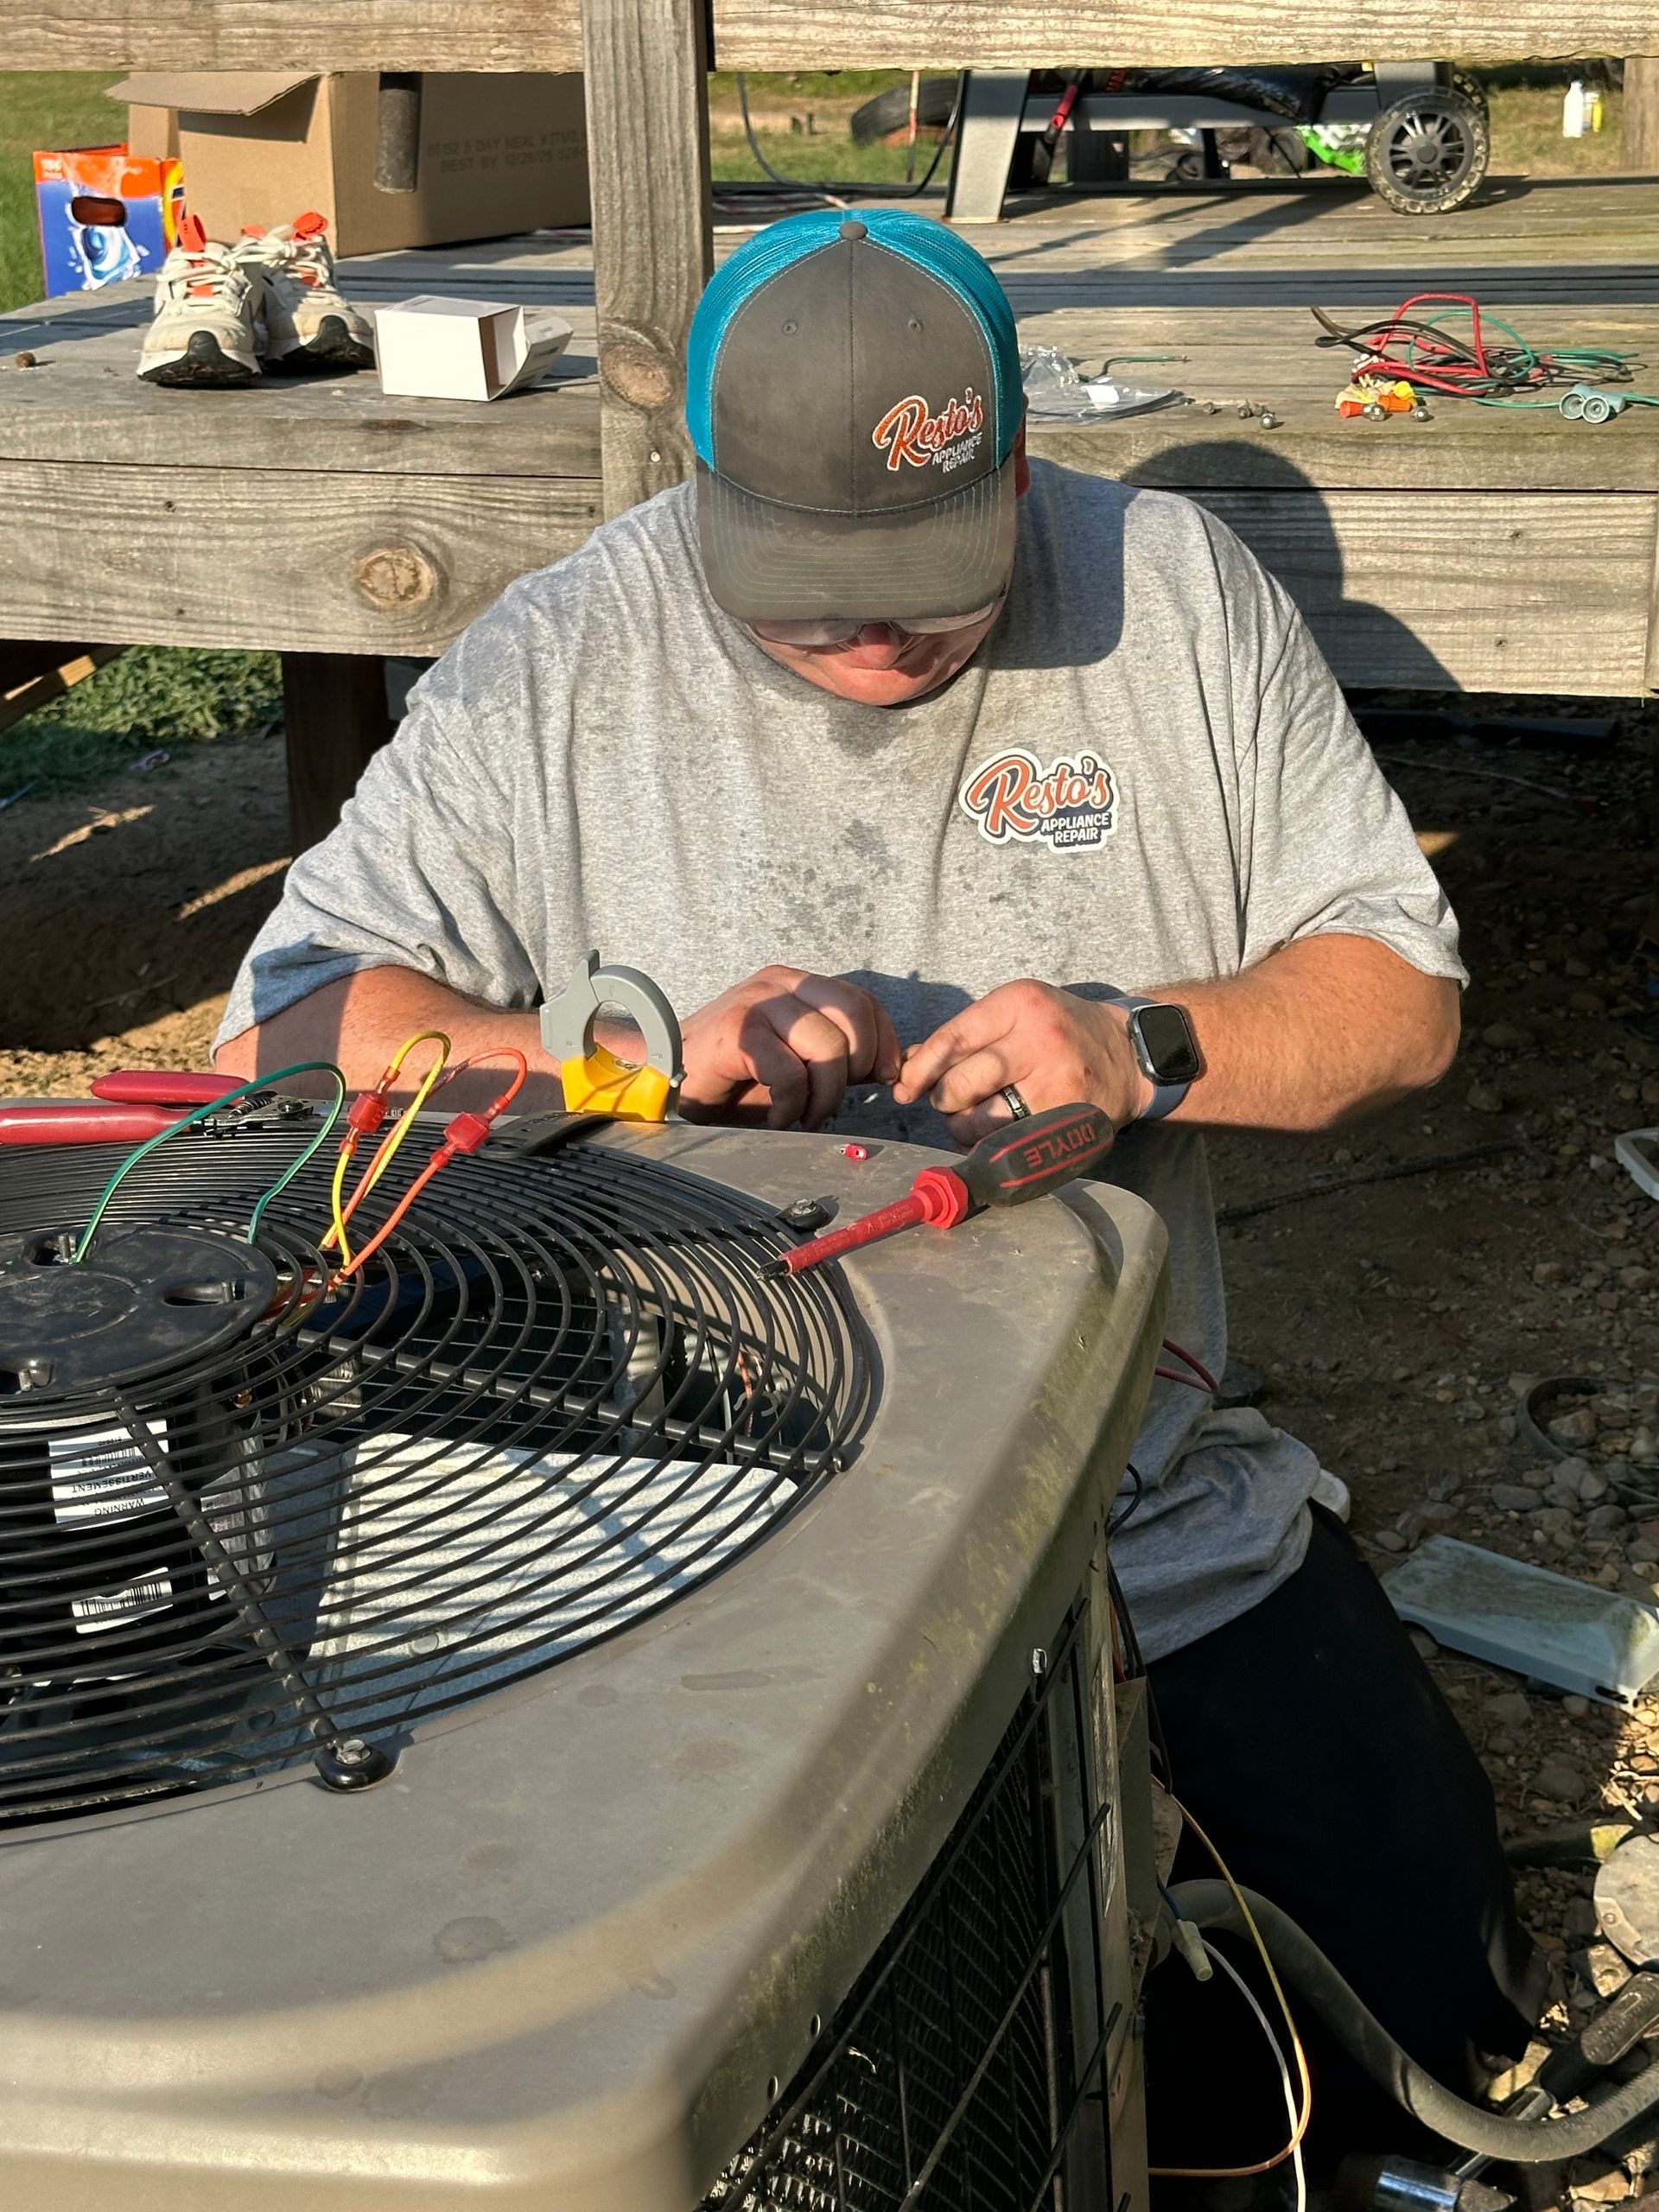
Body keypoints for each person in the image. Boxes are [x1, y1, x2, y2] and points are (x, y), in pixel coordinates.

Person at [218, 209, 1542, 2177]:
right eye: (806, 583)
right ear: (701, 492)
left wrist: (1140, 1041)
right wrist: (634, 1060)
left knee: (1428, 2017)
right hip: (687, 1525)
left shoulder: (1170, 594)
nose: (870, 636)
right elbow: (296, 1029)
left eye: (925, 577)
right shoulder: (564, 651)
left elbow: (1402, 1002)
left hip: (1131, 1487)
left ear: (1017, 468)